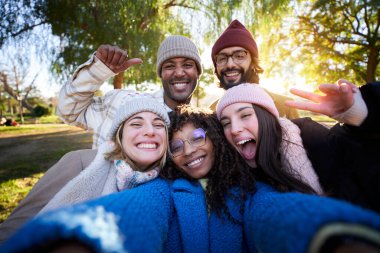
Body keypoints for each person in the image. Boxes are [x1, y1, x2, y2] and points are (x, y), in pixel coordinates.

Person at [2, 105, 380, 252]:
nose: (189, 151)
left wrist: (326, 234)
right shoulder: (163, 190)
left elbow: (272, 211)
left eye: (198, 138)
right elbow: (134, 211)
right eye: (176, 146)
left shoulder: (246, 189)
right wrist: (89, 237)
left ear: (216, 140)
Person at [0, 35, 202, 242]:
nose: (179, 72)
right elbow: (68, 110)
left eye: (188, 64)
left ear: (198, 72)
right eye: (169, 65)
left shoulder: (203, 126)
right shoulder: (124, 101)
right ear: (160, 72)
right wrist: (97, 71)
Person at [216, 81, 380, 213]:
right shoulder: (234, 168)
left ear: (266, 117)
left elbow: (367, 170)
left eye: (245, 115)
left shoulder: (309, 136)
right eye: (226, 123)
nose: (235, 129)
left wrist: (364, 114)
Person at [39, 95, 170, 213]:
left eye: (158, 125)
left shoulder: (171, 184)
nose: (150, 131)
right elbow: (22, 219)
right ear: (120, 135)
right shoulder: (79, 162)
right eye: (136, 124)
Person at [209, 19, 299, 119]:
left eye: (239, 56)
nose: (230, 64)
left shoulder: (285, 107)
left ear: (253, 62)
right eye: (222, 58)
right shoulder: (211, 112)